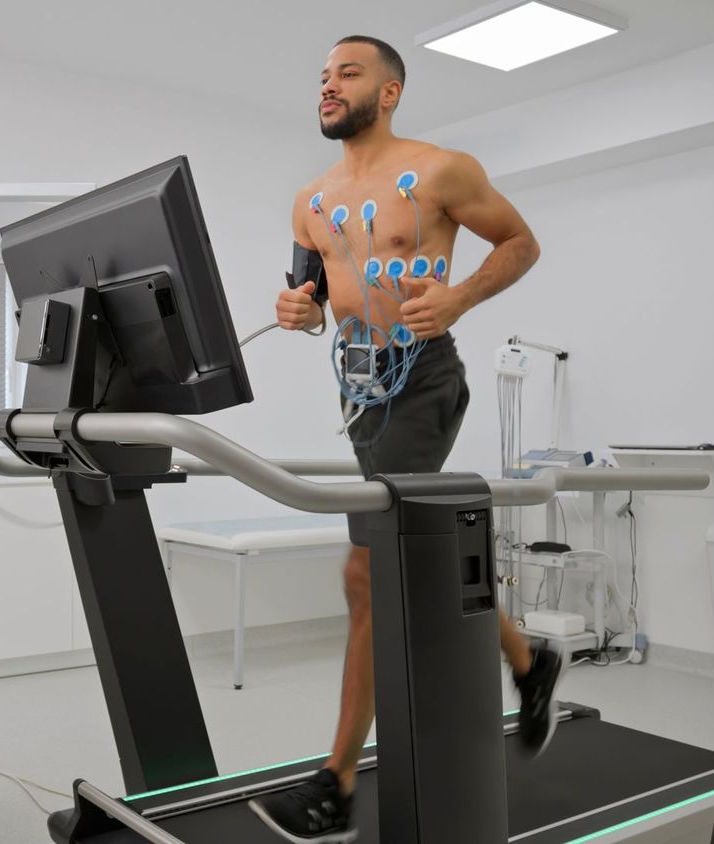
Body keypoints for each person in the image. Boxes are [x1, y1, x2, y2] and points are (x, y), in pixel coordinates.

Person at [248, 37, 560, 843]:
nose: (328, 86)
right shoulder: (311, 201)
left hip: (423, 377)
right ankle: (528, 662)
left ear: (388, 93)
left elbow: (520, 243)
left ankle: (337, 784)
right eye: (322, 76)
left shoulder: (443, 169)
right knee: (410, 558)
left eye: (347, 74)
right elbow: (307, 297)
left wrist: (454, 300)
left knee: (369, 574)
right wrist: (299, 313)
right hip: (358, 389)